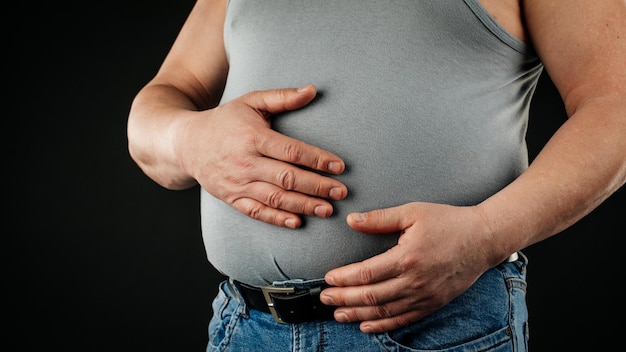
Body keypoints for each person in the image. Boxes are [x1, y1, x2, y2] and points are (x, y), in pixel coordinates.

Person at [127, 0, 625, 350]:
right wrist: (187, 140)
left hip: (435, 331)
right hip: (244, 328)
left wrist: (488, 234)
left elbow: (616, 107)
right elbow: (164, 96)